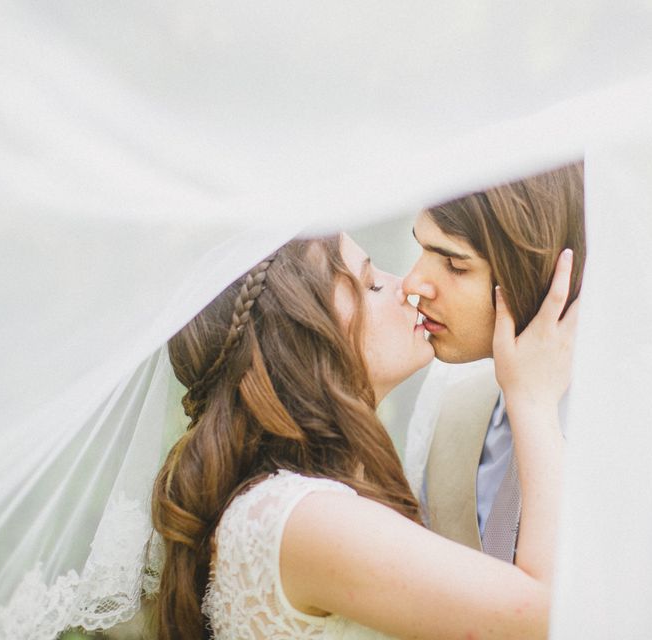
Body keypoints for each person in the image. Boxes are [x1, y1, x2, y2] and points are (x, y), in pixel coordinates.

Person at [151, 233, 577, 639]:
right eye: (371, 285)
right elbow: (555, 616)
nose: (406, 284)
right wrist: (534, 400)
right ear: (302, 345)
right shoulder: (306, 520)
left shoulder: (304, 503)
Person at [403, 160, 584, 560]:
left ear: (537, 273)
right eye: (421, 249)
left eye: (454, 264)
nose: (413, 283)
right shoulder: (448, 393)